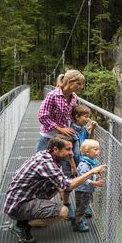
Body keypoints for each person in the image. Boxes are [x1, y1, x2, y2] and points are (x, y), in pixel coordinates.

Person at [3, 135, 106, 243]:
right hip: (17, 205)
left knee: (57, 187)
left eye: (71, 149)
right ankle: (21, 226)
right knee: (63, 212)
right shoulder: (46, 163)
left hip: (22, 197)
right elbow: (67, 185)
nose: (71, 153)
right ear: (56, 149)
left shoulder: (47, 156)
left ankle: (29, 217)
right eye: (68, 149)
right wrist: (91, 172)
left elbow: (60, 182)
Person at [37, 69, 85, 219]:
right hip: (48, 137)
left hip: (64, 139)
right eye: (79, 83)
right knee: (41, 170)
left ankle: (66, 205)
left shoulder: (74, 97)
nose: (81, 87)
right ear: (70, 83)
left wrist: (83, 124)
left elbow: (72, 116)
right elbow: (42, 116)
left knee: (67, 173)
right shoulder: (53, 95)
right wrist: (60, 128)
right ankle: (37, 206)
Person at [71, 105, 97, 218]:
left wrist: (92, 130)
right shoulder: (71, 131)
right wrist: (72, 165)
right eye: (85, 117)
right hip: (77, 162)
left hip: (86, 161)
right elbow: (70, 150)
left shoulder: (83, 129)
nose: (88, 119)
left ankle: (85, 206)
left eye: (88, 117)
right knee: (79, 185)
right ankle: (76, 212)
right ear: (77, 117)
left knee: (87, 184)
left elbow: (90, 141)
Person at [73, 139, 104, 232]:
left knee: (84, 205)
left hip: (87, 190)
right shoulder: (84, 164)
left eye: (98, 149)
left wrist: (98, 172)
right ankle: (77, 223)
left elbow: (91, 173)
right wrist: (95, 183)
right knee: (81, 207)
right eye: (95, 149)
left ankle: (78, 220)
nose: (98, 151)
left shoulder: (91, 162)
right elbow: (83, 178)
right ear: (87, 152)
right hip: (83, 191)